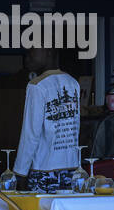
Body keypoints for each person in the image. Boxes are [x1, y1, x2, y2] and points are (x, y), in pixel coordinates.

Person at [11, 47, 80, 193]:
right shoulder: (73, 83)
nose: (27, 57)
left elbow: (30, 134)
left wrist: (20, 173)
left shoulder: (37, 86)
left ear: (49, 51)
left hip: (43, 171)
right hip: (72, 169)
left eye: (32, 51)